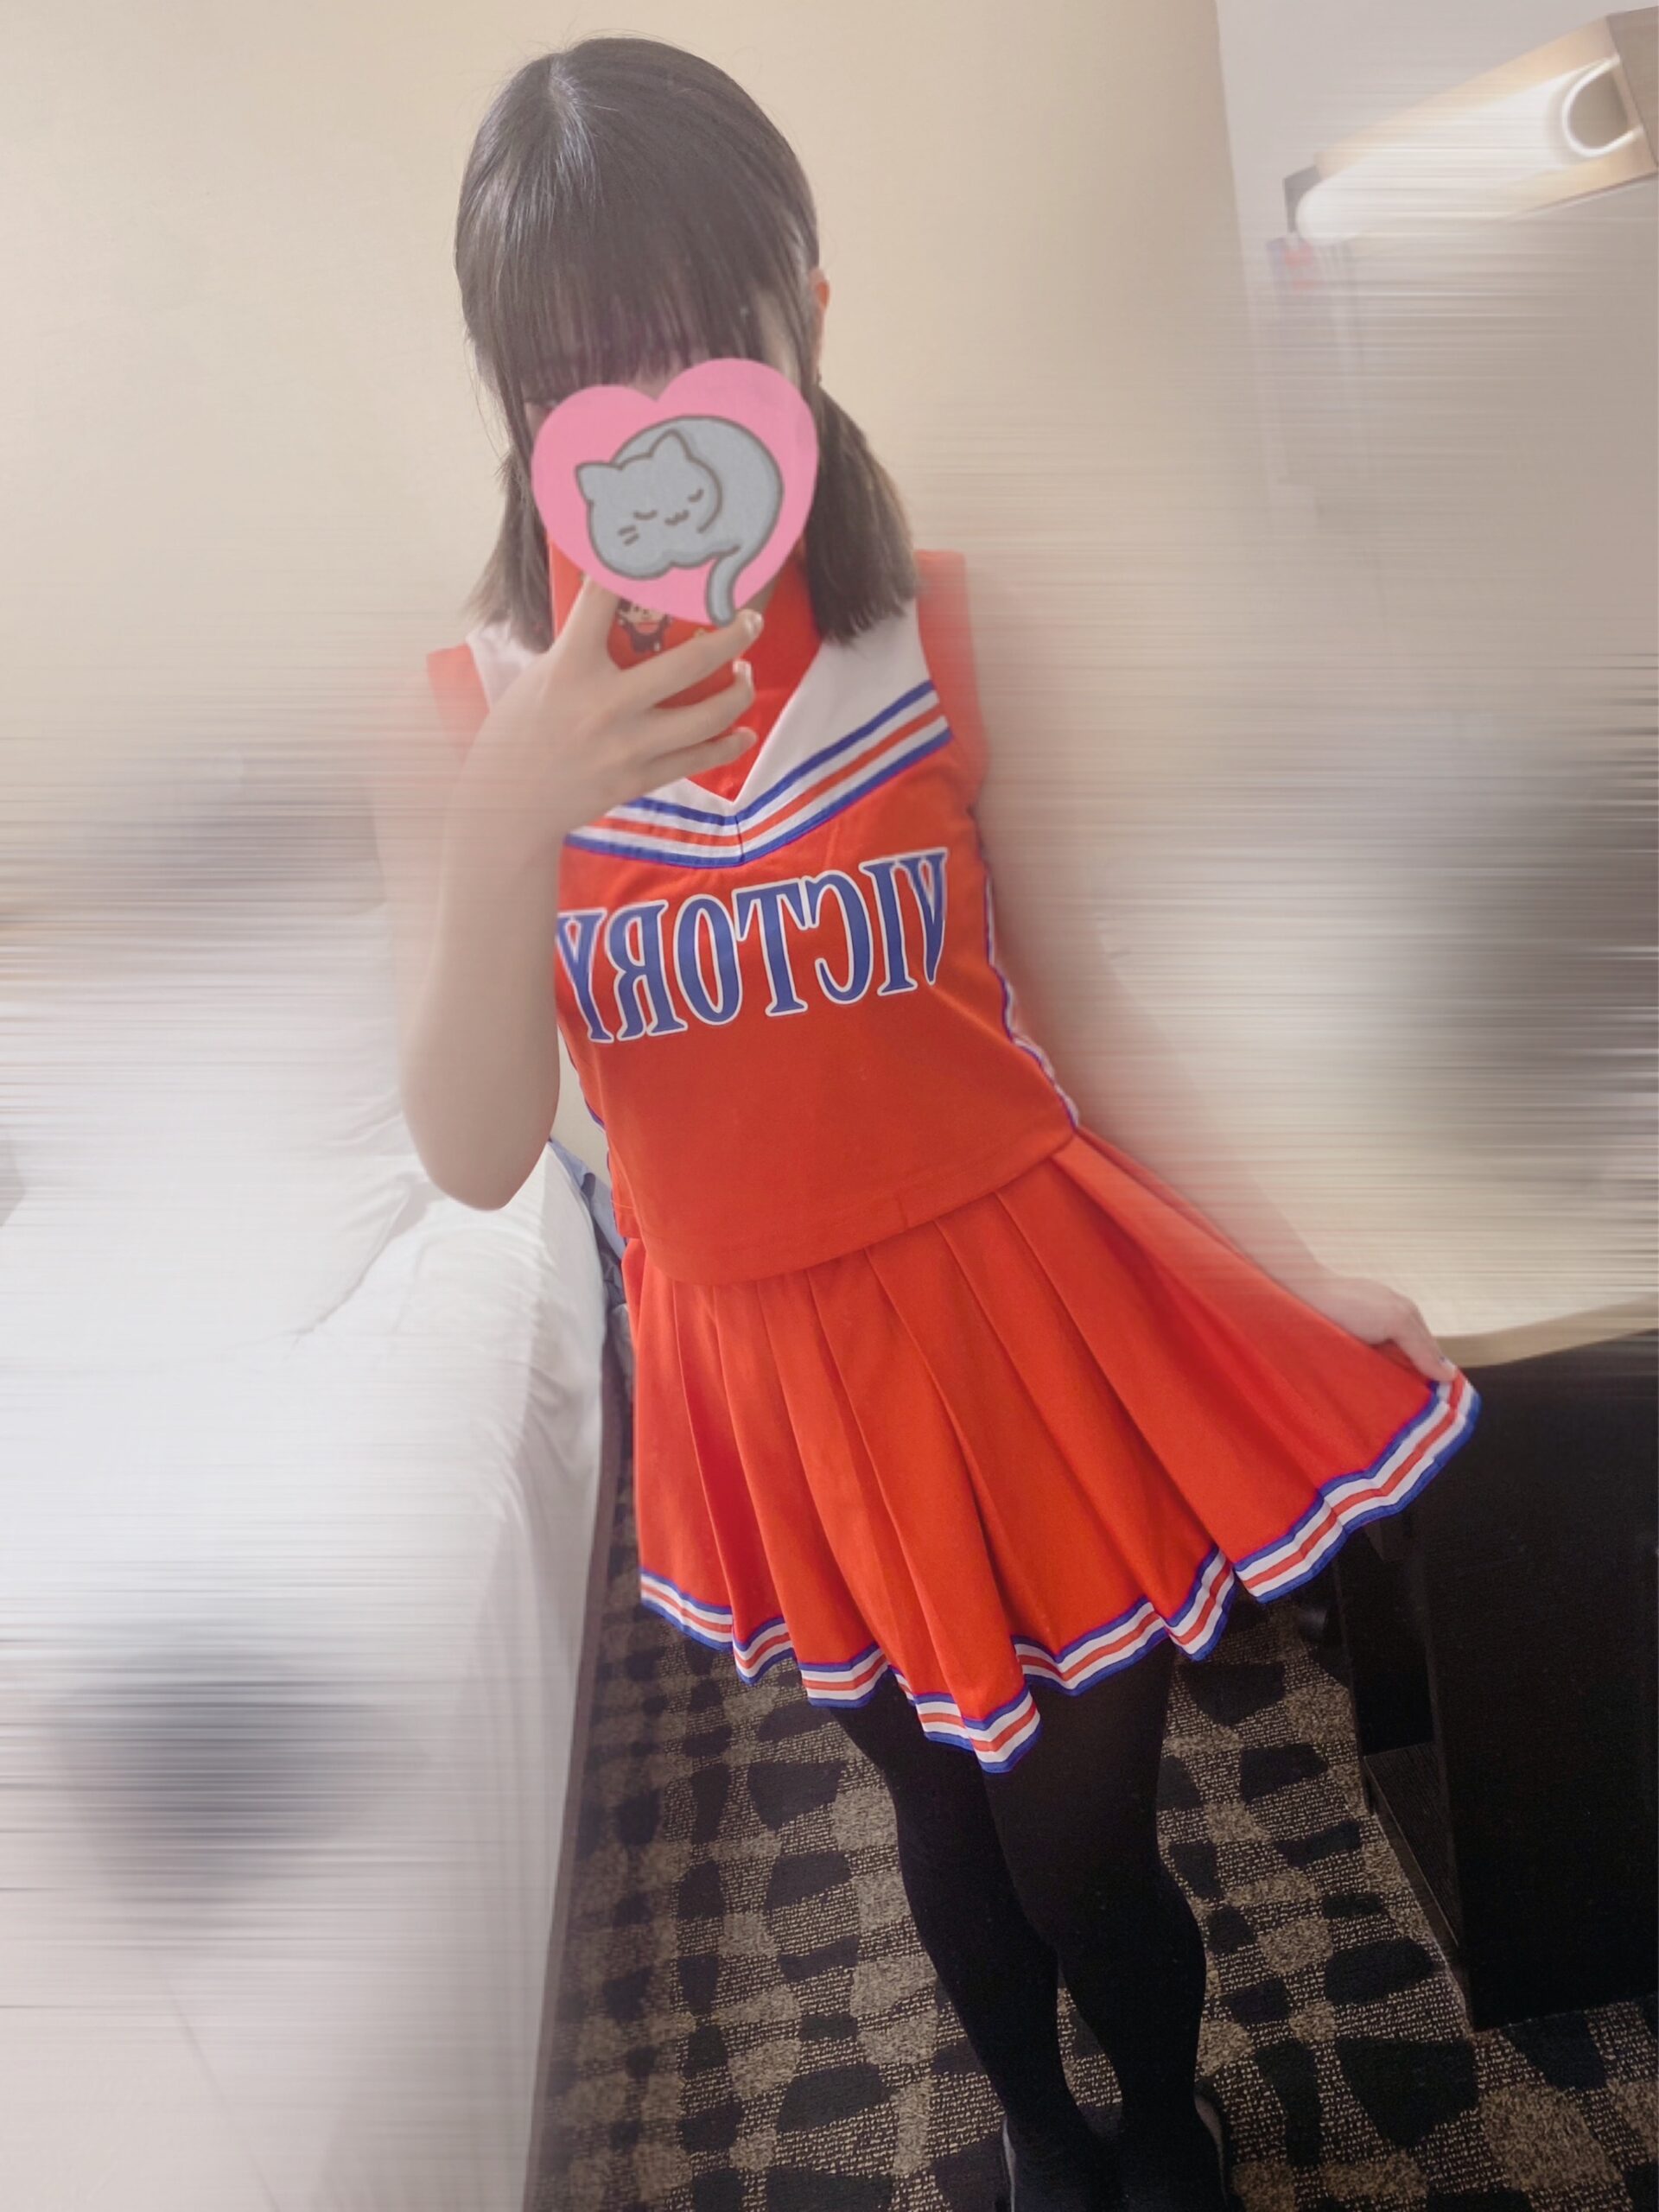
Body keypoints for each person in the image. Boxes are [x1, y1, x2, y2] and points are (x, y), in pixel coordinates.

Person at [378, 37, 1481, 2212]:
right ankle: (1041, 2134)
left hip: (1022, 1327)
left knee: (1082, 1843)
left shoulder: (941, 631)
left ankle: (1164, 2119)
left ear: (804, 312)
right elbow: (481, 1153)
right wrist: (510, 817)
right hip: (769, 1385)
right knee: (940, 1816)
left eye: (699, 337)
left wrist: (1289, 1269)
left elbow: (1088, 1009)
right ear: (521, 404)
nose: (653, 414)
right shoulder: (472, 725)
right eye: (584, 365)